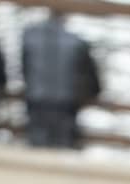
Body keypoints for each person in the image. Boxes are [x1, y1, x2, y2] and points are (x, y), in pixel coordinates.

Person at [21, 10, 101, 150]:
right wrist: (93, 93)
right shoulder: (76, 41)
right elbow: (89, 73)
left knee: (37, 142)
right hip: (65, 100)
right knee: (62, 144)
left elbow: (25, 67)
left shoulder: (30, 36)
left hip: (37, 97)